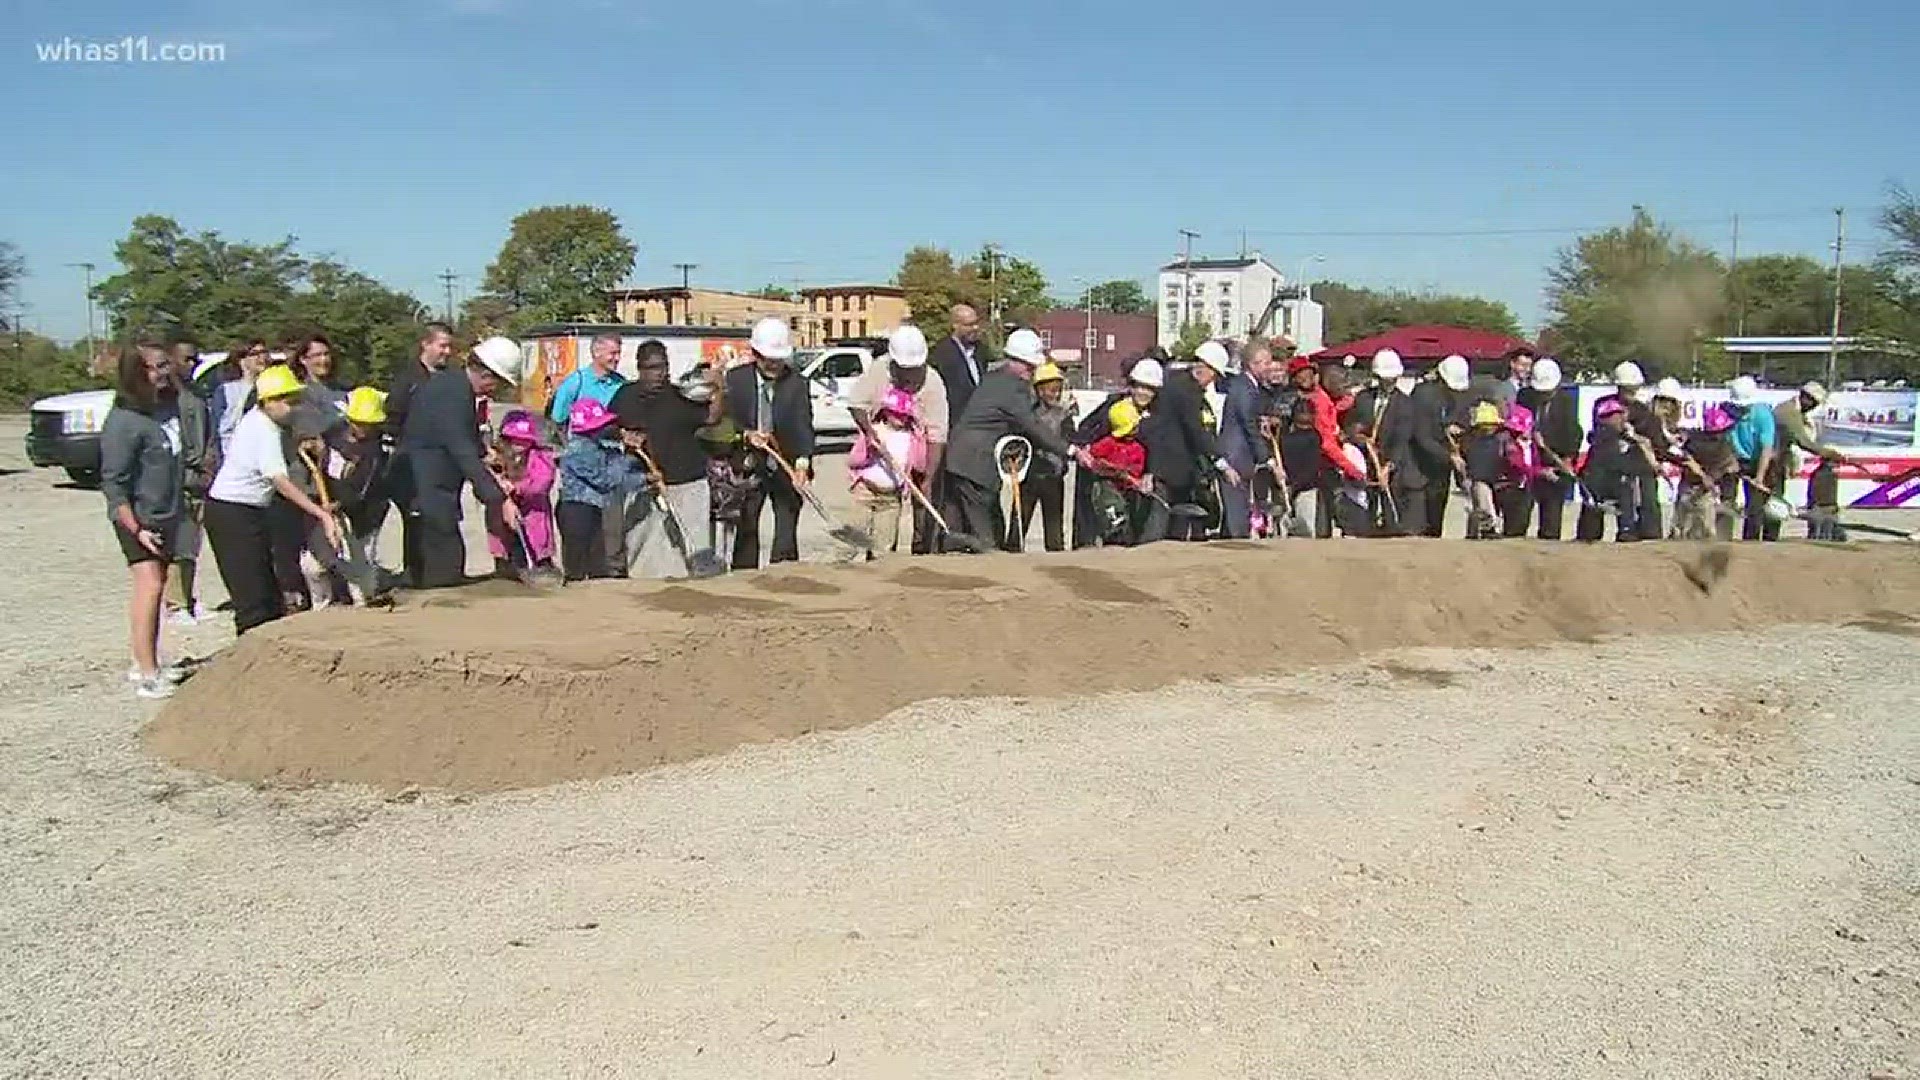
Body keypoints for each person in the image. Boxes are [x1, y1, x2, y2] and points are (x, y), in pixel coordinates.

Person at [203, 365, 343, 633]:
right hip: (231, 512)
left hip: (253, 511)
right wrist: (321, 514)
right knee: (252, 594)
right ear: (268, 402)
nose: (293, 407)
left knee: (268, 589)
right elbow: (280, 480)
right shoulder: (262, 428)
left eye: (295, 400)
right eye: (288, 401)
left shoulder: (273, 425)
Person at [100, 346, 191, 699]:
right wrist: (135, 527)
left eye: (165, 365)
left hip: (166, 513)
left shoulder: (162, 411)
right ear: (136, 374)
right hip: (138, 519)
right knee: (149, 584)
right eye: (156, 368)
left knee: (158, 583)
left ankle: (146, 659)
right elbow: (113, 482)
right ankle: (147, 672)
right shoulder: (124, 421)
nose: (164, 372)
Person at [944, 329, 1086, 547]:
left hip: (964, 460)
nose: (1032, 372)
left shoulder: (993, 378)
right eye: (1030, 367)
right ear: (1017, 362)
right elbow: (1034, 427)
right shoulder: (1013, 388)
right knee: (986, 534)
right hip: (974, 464)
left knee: (980, 525)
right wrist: (1071, 451)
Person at [400, 336, 522, 588]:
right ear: (487, 374)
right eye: (496, 382)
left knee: (444, 553)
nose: (495, 389)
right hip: (427, 488)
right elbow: (460, 448)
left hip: (434, 486)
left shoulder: (454, 387)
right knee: (443, 560)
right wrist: (497, 497)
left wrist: (487, 456)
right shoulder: (452, 393)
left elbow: (465, 438)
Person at [612, 339, 723, 578]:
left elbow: (711, 418)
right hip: (644, 483)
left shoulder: (680, 396)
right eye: (653, 368)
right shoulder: (625, 396)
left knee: (692, 551)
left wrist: (718, 389)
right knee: (644, 554)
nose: (660, 374)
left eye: (663, 367)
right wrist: (624, 435)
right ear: (640, 368)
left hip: (688, 482)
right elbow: (605, 428)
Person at [723, 317, 813, 568]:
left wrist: (803, 462)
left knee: (787, 524)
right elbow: (726, 421)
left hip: (785, 464)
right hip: (749, 465)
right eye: (768, 360)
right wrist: (746, 435)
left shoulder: (797, 383)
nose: (774, 365)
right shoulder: (735, 380)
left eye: (779, 360)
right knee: (747, 525)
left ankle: (784, 574)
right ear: (755, 354)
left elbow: (803, 425)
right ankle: (744, 575)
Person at [548, 333, 631, 570]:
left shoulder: (620, 383)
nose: (616, 358)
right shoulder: (576, 382)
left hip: (612, 456)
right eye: (612, 353)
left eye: (618, 353)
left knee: (610, 525)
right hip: (584, 458)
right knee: (580, 529)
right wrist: (572, 452)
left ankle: (610, 569)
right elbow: (557, 420)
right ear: (596, 352)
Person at [384, 322, 455, 586]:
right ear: (425, 344)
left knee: (439, 522)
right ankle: (416, 576)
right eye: (442, 345)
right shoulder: (408, 380)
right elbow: (392, 418)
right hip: (411, 463)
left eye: (449, 346)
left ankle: (439, 575)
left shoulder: (449, 377)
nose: (447, 352)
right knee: (416, 521)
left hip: (442, 463)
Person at [926, 305, 995, 550]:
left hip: (978, 436)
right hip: (951, 430)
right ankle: (944, 542)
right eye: (968, 324)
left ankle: (973, 541)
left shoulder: (982, 353)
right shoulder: (941, 355)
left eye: (976, 323)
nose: (974, 328)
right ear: (954, 325)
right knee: (948, 494)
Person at [556, 399, 646, 582]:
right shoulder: (578, 450)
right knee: (577, 562)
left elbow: (613, 467)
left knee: (597, 559)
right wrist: (628, 457)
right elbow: (605, 480)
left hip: (593, 508)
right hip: (576, 509)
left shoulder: (596, 447)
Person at [323, 387, 392, 604]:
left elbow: (364, 488)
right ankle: (331, 598)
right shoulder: (332, 435)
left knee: (363, 556)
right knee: (327, 557)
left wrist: (340, 503)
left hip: (367, 510)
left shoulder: (375, 453)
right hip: (332, 503)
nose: (363, 428)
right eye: (358, 422)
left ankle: (365, 598)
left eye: (369, 425)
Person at [1287, 356, 1368, 538]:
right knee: (1332, 503)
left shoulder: (1320, 396)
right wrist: (1351, 469)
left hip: (1323, 459)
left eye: (1309, 373)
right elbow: (1326, 443)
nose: (1307, 378)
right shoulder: (1309, 402)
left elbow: (1330, 413)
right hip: (1319, 461)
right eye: (1300, 375)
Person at [847, 387, 929, 556]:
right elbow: (853, 461)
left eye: (903, 414)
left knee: (883, 549)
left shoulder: (911, 437)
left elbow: (920, 466)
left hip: (891, 498)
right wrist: (870, 448)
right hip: (865, 492)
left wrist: (921, 438)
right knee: (855, 542)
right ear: (885, 412)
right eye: (895, 413)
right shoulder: (875, 431)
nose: (899, 417)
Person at [1771, 381, 1852, 540]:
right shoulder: (1788, 412)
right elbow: (1804, 442)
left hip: (1778, 460)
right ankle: (1768, 539)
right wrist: (1829, 453)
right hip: (1772, 462)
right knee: (1773, 503)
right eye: (1813, 403)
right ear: (1805, 397)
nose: (1814, 407)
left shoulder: (1793, 410)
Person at [1011, 361, 1076, 552]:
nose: (1054, 394)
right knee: (1019, 524)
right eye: (1049, 390)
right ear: (1038, 390)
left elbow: (1069, 440)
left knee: (1054, 531)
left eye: (1057, 390)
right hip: (1029, 476)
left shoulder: (1064, 416)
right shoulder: (1028, 414)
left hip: (1053, 477)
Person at [484, 412, 558, 578]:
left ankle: (542, 566)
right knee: (505, 544)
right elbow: (485, 480)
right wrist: (500, 484)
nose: (520, 443)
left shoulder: (540, 457)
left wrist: (518, 488)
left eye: (525, 439)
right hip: (502, 513)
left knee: (536, 542)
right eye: (515, 438)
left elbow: (542, 482)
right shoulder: (496, 457)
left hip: (533, 510)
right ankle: (506, 568)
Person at [1216, 342, 1276, 539]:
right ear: (1253, 364)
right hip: (1235, 456)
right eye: (1266, 363)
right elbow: (1247, 422)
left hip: (1241, 456)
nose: (1270, 367)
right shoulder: (1244, 387)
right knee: (1237, 515)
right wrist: (1265, 457)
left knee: (1238, 513)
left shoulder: (1250, 387)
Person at [1408, 354, 1471, 536]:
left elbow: (1451, 419)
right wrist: (1449, 457)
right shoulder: (1423, 395)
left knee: (1436, 521)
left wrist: (1453, 428)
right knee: (1420, 524)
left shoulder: (1451, 397)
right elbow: (1422, 436)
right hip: (1420, 467)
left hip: (1441, 470)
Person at [1517, 358, 1580, 540]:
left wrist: (1567, 458)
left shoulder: (1565, 401)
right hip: (1528, 462)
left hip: (1555, 462)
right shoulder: (1525, 396)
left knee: (1551, 517)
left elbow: (1573, 433)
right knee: (1520, 514)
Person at [1080, 397, 1151, 546]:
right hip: (1107, 491)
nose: (1132, 432)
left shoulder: (1139, 448)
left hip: (1128, 491)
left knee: (1131, 521)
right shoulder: (1107, 443)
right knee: (1112, 520)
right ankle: (1112, 539)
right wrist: (1110, 468)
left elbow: (1137, 471)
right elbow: (1094, 459)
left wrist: (1133, 479)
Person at [1672, 405, 1740, 541]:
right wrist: (1704, 477)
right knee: (1680, 528)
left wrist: (1717, 476)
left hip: (1706, 492)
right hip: (1689, 488)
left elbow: (1732, 465)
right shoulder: (1694, 442)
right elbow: (1687, 460)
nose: (1720, 434)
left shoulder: (1724, 446)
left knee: (1706, 528)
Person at [1575, 399, 1640, 542]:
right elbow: (1617, 462)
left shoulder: (1603, 435)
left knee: (1591, 521)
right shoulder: (1609, 437)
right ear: (1608, 418)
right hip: (1604, 482)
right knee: (1626, 486)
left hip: (1594, 481)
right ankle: (1626, 530)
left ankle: (1589, 533)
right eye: (1618, 415)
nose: (1622, 418)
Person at [1725, 375, 1778, 541]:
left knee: (1756, 507)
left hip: (1761, 460)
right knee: (1727, 500)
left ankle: (1758, 542)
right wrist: (1731, 460)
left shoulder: (1763, 414)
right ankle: (1724, 538)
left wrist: (1760, 477)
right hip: (1736, 459)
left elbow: (1766, 447)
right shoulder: (1727, 412)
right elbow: (1726, 439)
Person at [1461, 402, 1515, 539]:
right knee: (1481, 501)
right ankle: (1487, 527)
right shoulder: (1473, 441)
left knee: (1481, 502)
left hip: (1491, 479)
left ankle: (1485, 528)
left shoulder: (1498, 440)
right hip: (1479, 479)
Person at [215, 340, 271, 457]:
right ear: (241, 360)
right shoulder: (226, 390)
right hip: (234, 455)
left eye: (264, 352)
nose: (262, 357)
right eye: (255, 354)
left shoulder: (273, 386)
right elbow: (218, 429)